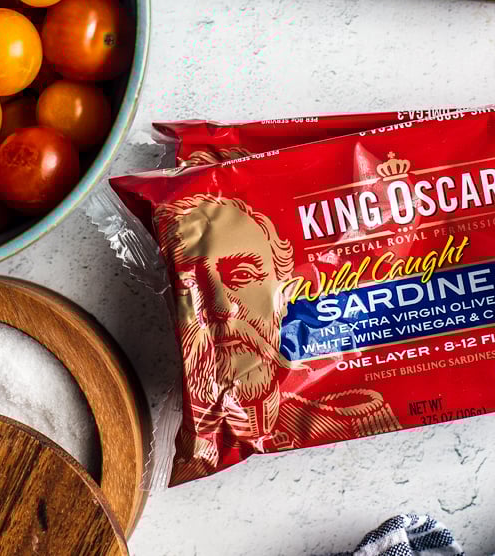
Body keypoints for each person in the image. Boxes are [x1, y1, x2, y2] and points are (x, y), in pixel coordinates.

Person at [155, 194, 400, 483]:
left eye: (243, 275)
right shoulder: (190, 444)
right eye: (191, 281)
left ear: (284, 294)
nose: (221, 308)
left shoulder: (354, 412)